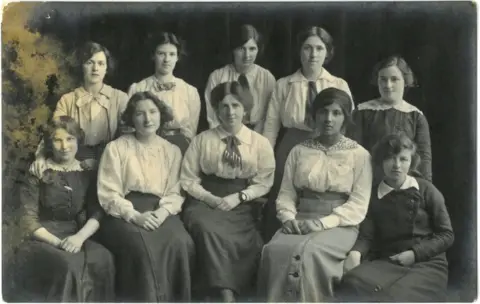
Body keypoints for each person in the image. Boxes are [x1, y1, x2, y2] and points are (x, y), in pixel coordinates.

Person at [257, 88, 372, 302]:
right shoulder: (299, 151)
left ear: (345, 117)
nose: (329, 119)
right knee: (274, 250)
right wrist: (288, 218)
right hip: (300, 219)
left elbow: (358, 204)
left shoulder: (359, 155)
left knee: (309, 252)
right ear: (314, 115)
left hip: (340, 224)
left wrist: (321, 224)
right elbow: (286, 193)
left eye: (336, 113)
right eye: (323, 112)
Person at [181, 81, 275, 302]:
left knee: (247, 239)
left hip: (242, 201)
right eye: (224, 106)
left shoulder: (259, 143)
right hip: (204, 198)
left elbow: (264, 182)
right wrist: (209, 198)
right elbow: (188, 179)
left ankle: (232, 289)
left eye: (236, 105)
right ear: (216, 109)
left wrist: (240, 197)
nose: (230, 112)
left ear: (245, 109)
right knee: (207, 228)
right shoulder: (202, 140)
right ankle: (224, 293)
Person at [96, 91, 195, 302]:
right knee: (141, 247)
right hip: (122, 212)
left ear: (161, 115)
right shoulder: (116, 148)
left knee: (181, 242)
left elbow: (175, 191)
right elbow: (108, 192)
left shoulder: (172, 151)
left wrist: (162, 212)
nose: (148, 119)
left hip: (161, 209)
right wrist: (134, 216)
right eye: (140, 113)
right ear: (131, 118)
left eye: (153, 112)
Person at [262, 26, 354, 241]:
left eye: (319, 49)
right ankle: (279, 241)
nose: (313, 55)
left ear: (327, 52)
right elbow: (271, 125)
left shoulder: (338, 84)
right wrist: (266, 159)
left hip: (328, 145)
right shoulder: (284, 84)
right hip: (291, 144)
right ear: (299, 51)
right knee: (285, 196)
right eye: (307, 48)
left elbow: (347, 123)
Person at [337, 133, 454, 302]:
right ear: (381, 161)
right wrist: (355, 253)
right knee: (351, 283)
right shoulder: (374, 194)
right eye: (390, 158)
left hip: (427, 263)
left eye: (403, 159)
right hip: (389, 261)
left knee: (396, 296)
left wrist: (415, 254)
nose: (397, 165)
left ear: (411, 162)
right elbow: (367, 236)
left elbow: (447, 234)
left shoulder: (426, 189)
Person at [12, 116, 115, 302]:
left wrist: (79, 237)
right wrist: (60, 244)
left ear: (78, 141)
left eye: (70, 139)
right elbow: (28, 220)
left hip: (76, 235)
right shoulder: (38, 171)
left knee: (103, 258)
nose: (64, 146)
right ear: (50, 144)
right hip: (43, 238)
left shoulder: (86, 172)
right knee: (69, 265)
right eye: (57, 140)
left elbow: (96, 212)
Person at [34, 41, 129, 171]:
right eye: (89, 62)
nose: (95, 69)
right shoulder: (67, 100)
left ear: (107, 68)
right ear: (81, 66)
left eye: (101, 63)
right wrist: (40, 157)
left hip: (112, 162)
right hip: (75, 161)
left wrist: (103, 160)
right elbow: (54, 133)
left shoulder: (121, 98)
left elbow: (129, 138)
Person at [349, 55, 432, 181]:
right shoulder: (362, 112)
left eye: (394, 79)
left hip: (405, 186)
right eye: (383, 79)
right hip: (368, 182)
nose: (388, 85)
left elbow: (424, 160)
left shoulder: (415, 116)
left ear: (405, 81)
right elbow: (353, 153)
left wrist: (423, 190)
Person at [128, 32, 201, 154]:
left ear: (177, 57)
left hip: (180, 149)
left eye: (172, 54)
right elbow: (131, 127)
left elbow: (191, 132)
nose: (167, 60)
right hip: (145, 149)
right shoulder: (138, 88)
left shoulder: (190, 91)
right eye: (161, 54)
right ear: (153, 56)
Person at [205, 24, 276, 133]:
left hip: (257, 135)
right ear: (233, 49)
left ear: (258, 49)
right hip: (224, 133)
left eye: (252, 49)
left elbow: (270, 118)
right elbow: (212, 116)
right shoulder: (217, 76)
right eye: (241, 49)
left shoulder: (267, 78)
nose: (247, 55)